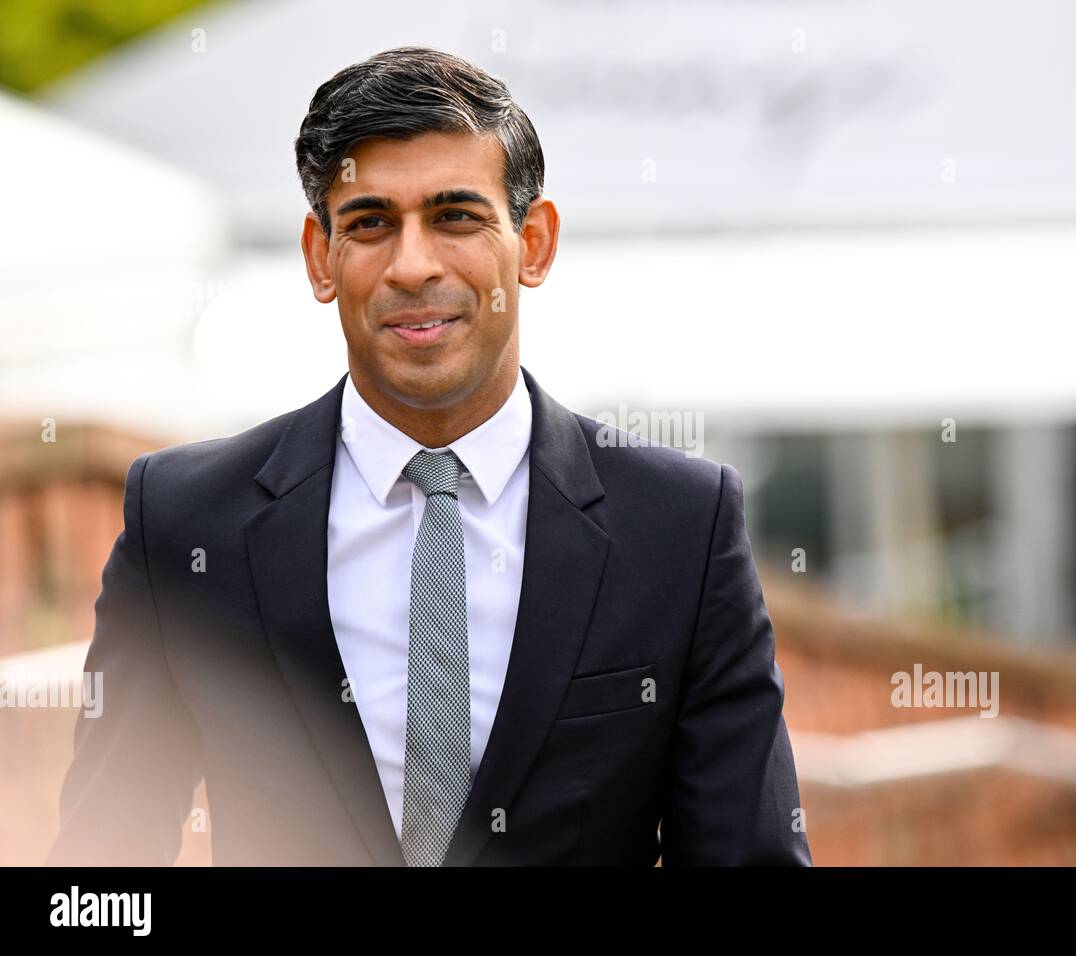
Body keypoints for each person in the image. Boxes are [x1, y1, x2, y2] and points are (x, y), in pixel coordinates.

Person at [45, 46, 811, 867]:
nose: (413, 265)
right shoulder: (186, 522)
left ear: (535, 243)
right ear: (319, 255)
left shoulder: (680, 529)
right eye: (371, 222)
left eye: (455, 216)